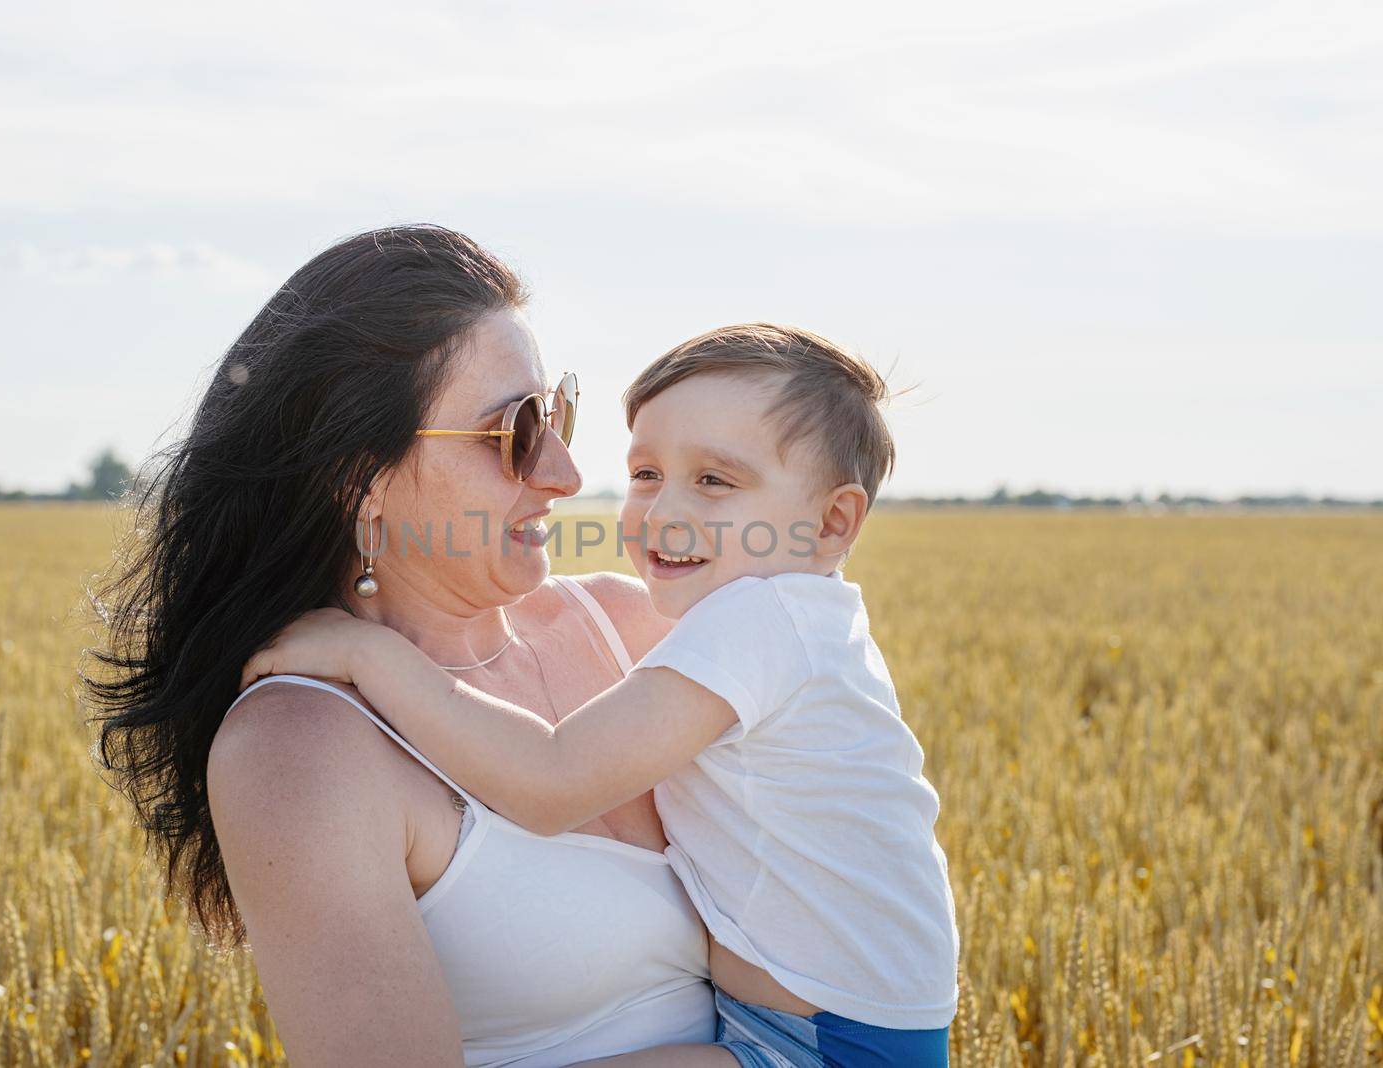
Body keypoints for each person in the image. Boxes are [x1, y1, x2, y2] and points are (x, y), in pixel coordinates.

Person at [81, 225, 738, 1066]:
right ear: (361, 478)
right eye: (517, 429)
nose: (565, 472)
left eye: (559, 410)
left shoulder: (638, 627)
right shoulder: (302, 749)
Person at [240, 324, 960, 1066]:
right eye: (646, 474)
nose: (661, 510)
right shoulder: (787, 620)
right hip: (817, 1030)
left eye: (714, 481)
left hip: (826, 1045)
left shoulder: (757, 620)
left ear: (833, 522)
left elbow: (553, 779)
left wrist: (370, 654)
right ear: (363, 476)